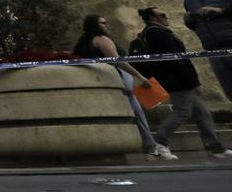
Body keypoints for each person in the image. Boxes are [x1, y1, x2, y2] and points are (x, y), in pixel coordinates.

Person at [133, 7, 232, 159]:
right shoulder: (156, 33)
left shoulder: (156, 32)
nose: (166, 17)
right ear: (152, 18)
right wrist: (191, 81)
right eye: (162, 15)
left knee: (202, 113)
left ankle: (215, 147)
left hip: (180, 80)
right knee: (182, 112)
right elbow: (174, 61)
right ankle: (159, 142)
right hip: (178, 81)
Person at [72, 14, 176, 160]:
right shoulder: (102, 40)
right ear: (94, 25)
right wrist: (139, 76)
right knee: (138, 114)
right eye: (102, 23)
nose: (105, 25)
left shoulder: (85, 42)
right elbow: (119, 61)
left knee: (136, 114)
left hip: (106, 81)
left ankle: (150, 146)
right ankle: (151, 147)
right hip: (118, 79)